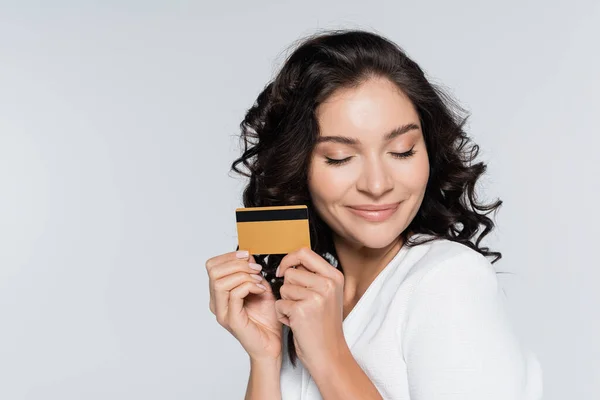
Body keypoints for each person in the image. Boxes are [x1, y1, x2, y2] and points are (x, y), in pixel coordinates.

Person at [205, 29, 543, 400]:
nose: (378, 184)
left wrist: (330, 355)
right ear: (298, 167)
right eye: (340, 158)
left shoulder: (448, 280)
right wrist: (265, 357)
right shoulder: (305, 298)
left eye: (402, 150)